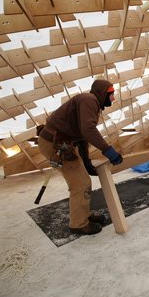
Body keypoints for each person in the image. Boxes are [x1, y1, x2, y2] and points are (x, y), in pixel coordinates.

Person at [38, 79, 123, 235]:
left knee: (83, 181)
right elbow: (88, 130)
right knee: (80, 184)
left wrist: (86, 161)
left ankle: (84, 215)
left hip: (63, 143)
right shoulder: (89, 100)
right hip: (56, 145)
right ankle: (78, 224)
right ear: (103, 93)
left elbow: (82, 137)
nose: (113, 98)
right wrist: (107, 150)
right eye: (111, 95)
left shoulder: (89, 102)